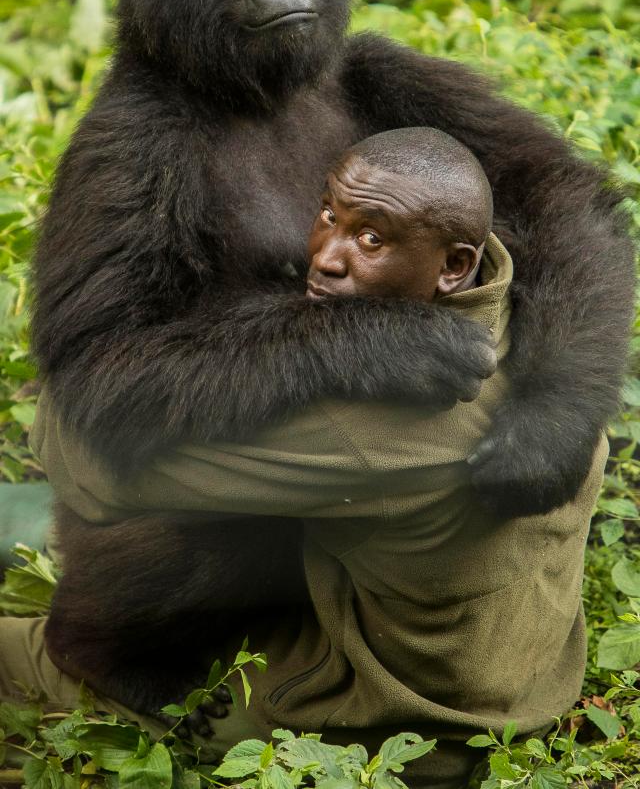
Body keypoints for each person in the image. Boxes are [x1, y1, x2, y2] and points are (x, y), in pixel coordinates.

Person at [0, 128, 607, 789]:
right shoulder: (530, 301)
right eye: (327, 216)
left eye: (371, 240)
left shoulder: (361, 434)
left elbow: (86, 462)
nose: (324, 258)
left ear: (451, 265)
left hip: (398, 725)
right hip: (524, 678)